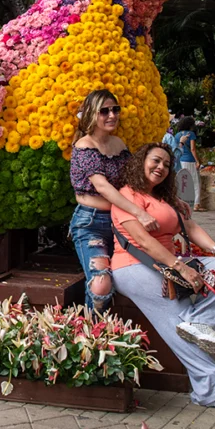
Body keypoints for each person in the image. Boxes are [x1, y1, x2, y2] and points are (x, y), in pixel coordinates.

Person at [110, 143, 215, 413]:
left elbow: (191, 226)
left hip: (168, 263)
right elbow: (142, 242)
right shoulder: (127, 196)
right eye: (155, 161)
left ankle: (201, 324)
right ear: (141, 162)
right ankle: (211, 390)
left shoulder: (165, 199)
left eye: (166, 164)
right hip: (134, 266)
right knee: (178, 320)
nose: (161, 167)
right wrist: (180, 267)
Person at [70, 89, 162, 314]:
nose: (112, 115)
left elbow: (133, 181)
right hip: (92, 224)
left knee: (144, 273)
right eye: (104, 111)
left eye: (115, 109)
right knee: (101, 284)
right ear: (92, 114)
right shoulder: (84, 146)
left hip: (121, 222)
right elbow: (103, 187)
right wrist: (139, 213)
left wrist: (166, 202)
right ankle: (90, 337)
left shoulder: (119, 144)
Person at [174, 117, 203, 212]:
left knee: (183, 181)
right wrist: (197, 161)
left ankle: (181, 202)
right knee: (195, 182)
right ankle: (196, 204)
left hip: (181, 160)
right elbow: (193, 149)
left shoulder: (177, 135)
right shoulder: (191, 134)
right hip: (190, 160)